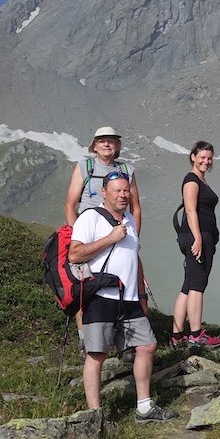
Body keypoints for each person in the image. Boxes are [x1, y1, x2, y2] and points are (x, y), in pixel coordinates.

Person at [69, 173, 177, 423]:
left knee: (147, 346)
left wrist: (141, 295)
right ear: (104, 192)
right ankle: (95, 415)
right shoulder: (90, 217)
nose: (123, 195)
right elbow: (75, 254)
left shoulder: (129, 219)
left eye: (126, 191)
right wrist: (110, 238)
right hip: (101, 296)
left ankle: (144, 407)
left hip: (129, 299)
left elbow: (133, 258)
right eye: (117, 191)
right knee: (97, 354)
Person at [63, 127, 146, 358]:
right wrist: (77, 237)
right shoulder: (84, 167)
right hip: (90, 233)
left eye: (111, 141)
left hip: (121, 233)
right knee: (86, 286)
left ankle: (126, 340)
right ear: (95, 145)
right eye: (101, 141)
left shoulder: (127, 170)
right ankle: (86, 339)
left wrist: (134, 237)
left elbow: (135, 207)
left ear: (117, 146)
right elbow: (70, 204)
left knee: (127, 282)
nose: (106, 144)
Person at [171, 141, 220, 348]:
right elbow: (190, 210)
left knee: (188, 285)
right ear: (193, 156)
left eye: (209, 158)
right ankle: (196, 335)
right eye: (202, 157)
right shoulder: (192, 180)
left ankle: (177, 336)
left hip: (197, 235)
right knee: (198, 285)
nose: (206, 161)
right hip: (197, 235)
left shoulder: (200, 179)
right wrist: (198, 238)